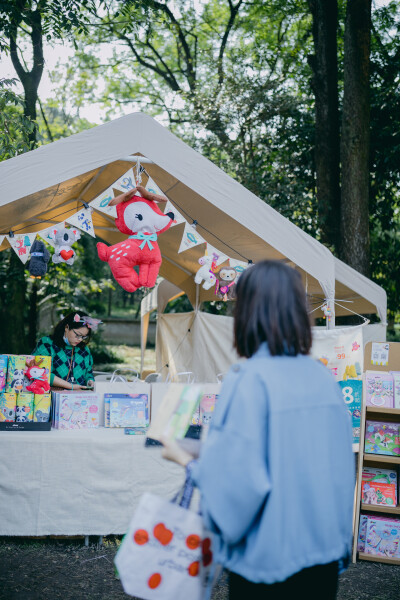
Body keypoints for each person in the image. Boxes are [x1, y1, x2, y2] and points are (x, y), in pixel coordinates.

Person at [161, 260, 355, 600]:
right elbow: (311, 461)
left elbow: (238, 485)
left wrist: (187, 460)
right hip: (323, 555)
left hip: (268, 562)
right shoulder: (325, 381)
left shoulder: (249, 380)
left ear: (246, 313)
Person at [32, 311, 101, 391]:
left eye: (84, 337)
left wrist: (90, 381)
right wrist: (70, 386)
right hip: (49, 397)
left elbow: (88, 373)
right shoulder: (47, 344)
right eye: (77, 335)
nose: (80, 339)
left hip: (79, 398)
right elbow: (40, 372)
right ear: (67, 327)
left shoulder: (84, 350)